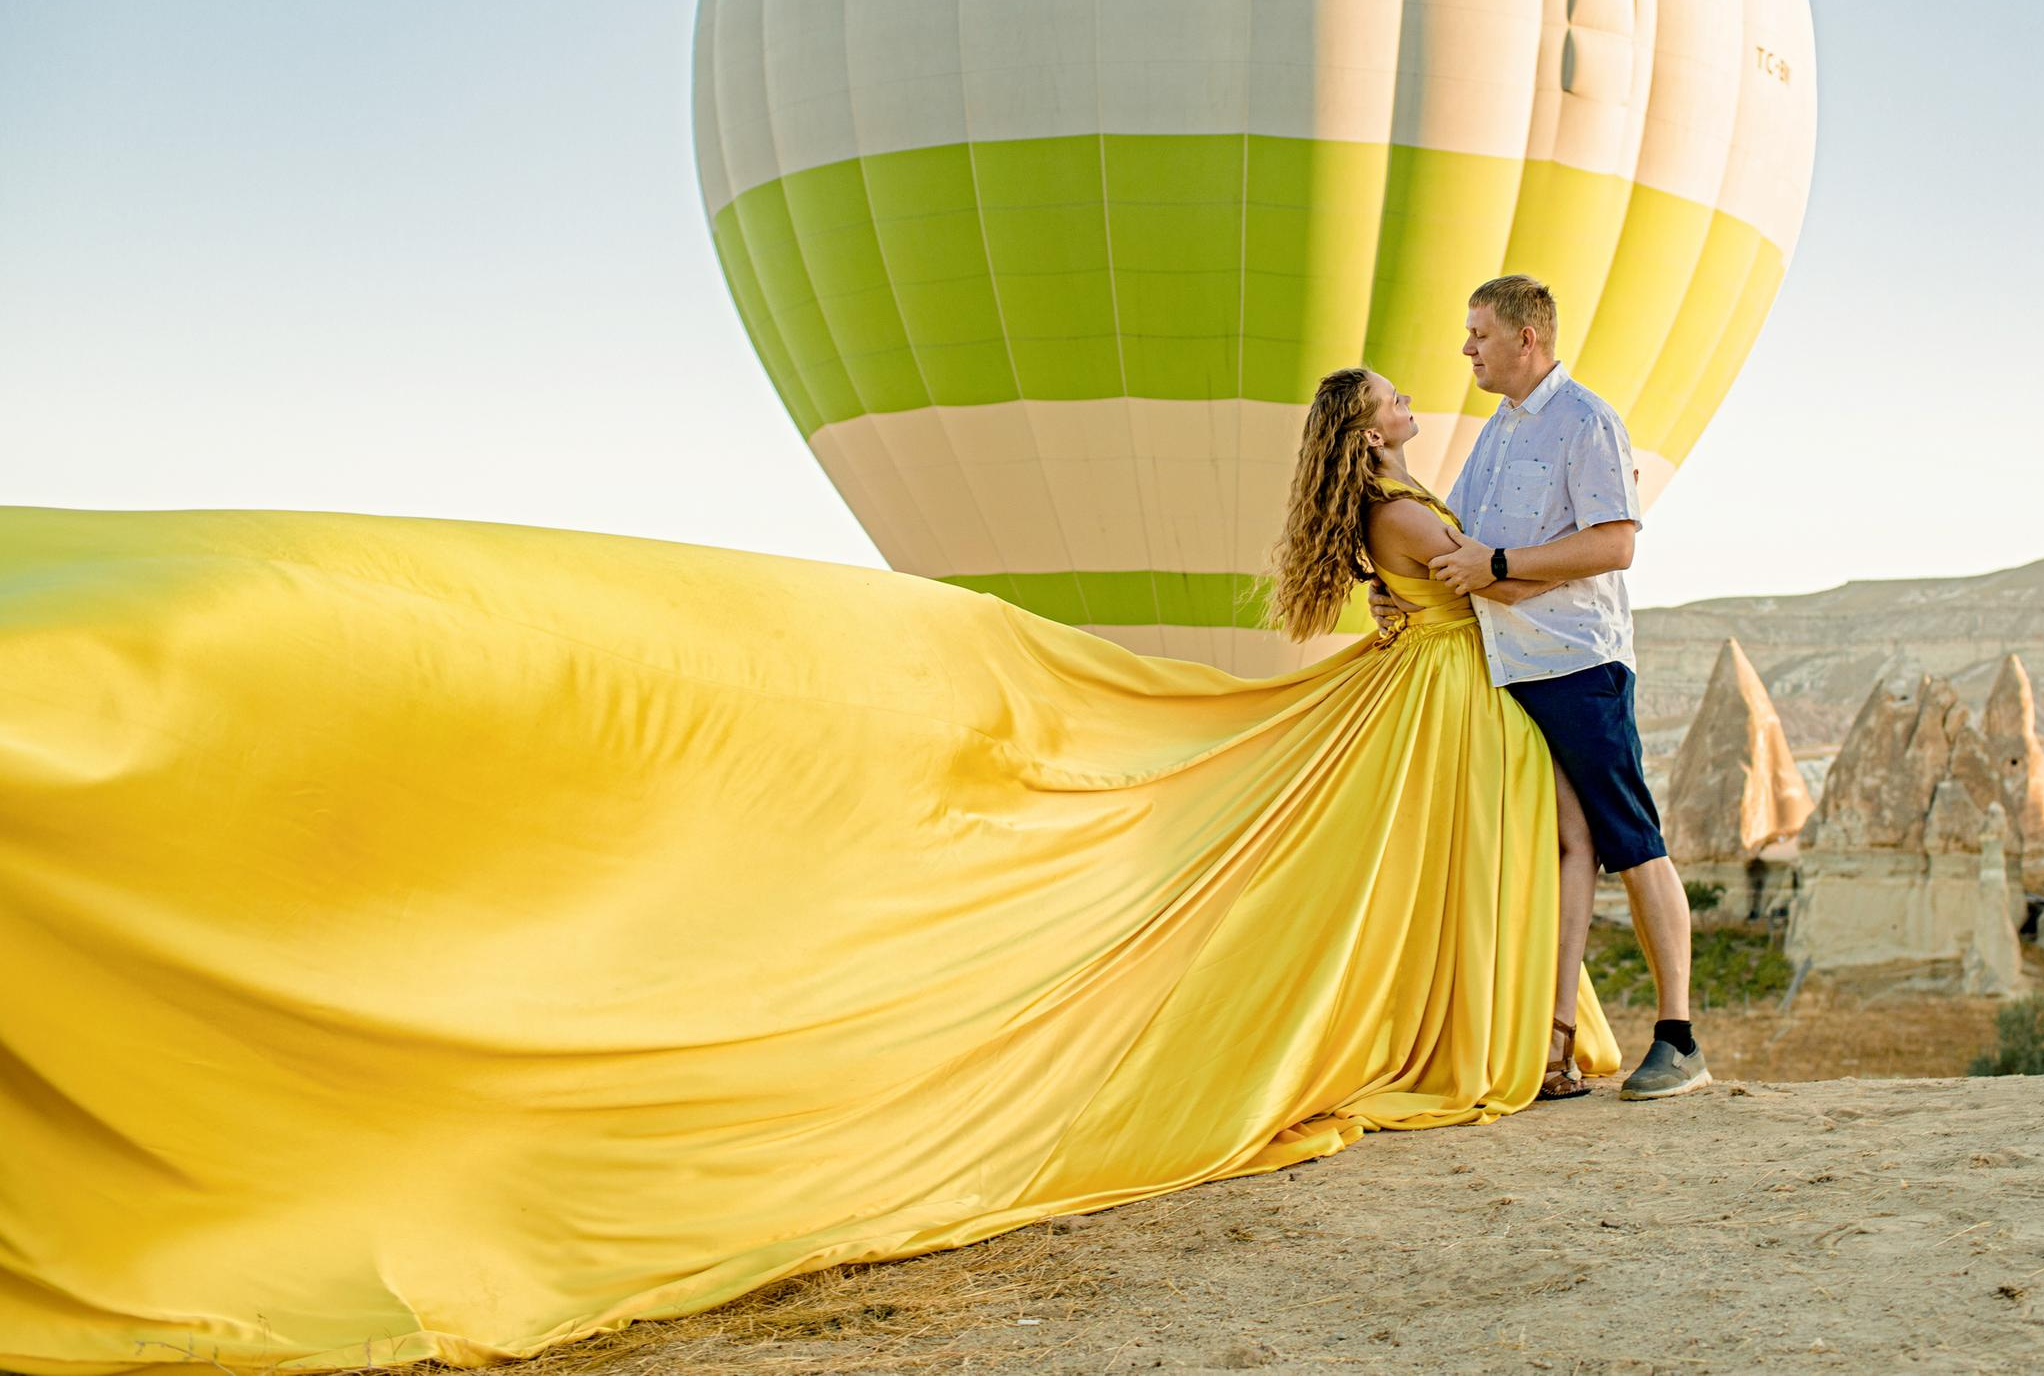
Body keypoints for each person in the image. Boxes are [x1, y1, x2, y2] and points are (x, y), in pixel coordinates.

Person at [0, 370, 1617, 1374]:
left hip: (1420, 713)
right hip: (1437, 709)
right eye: (1401, 393)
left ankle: (1500, 1020)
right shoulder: (1409, 515)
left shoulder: (1378, 504)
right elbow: (1478, 585)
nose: (1423, 394)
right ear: (1372, 427)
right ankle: (1504, 1026)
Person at [1373, 274, 1710, 1103]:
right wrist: (1402, 588)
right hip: (1503, 665)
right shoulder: (1496, 433)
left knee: (1632, 838)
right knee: (1564, 847)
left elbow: (1615, 544)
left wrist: (1500, 567)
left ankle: (1679, 1036)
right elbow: (1461, 545)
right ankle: (1545, 1041)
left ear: (1528, 337)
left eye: (1479, 332)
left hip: (1575, 665)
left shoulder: (1586, 422)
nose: (1465, 348)